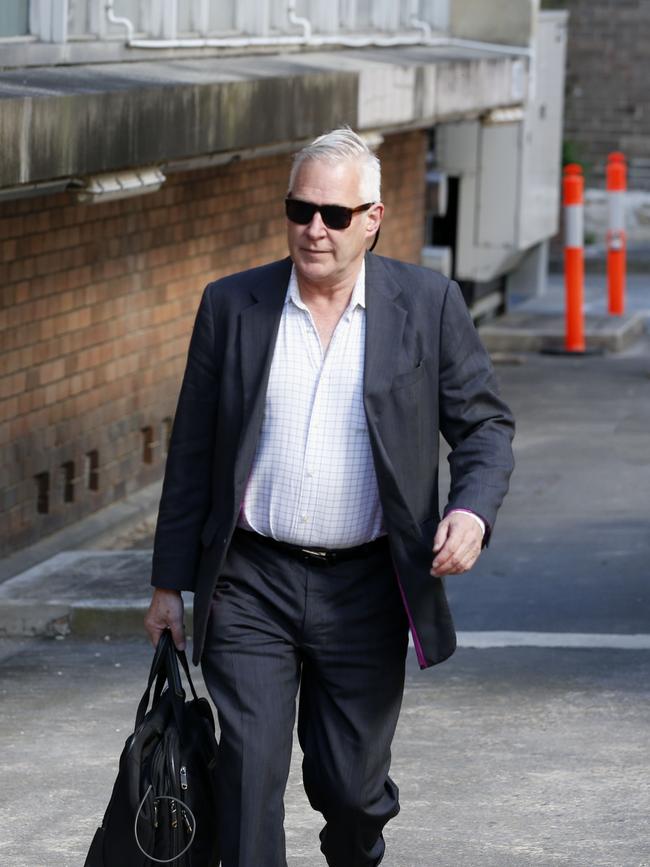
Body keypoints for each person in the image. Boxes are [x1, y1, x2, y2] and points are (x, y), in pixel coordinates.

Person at [144, 128, 515, 867]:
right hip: (253, 580)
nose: (314, 229)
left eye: (335, 215)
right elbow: (191, 451)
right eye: (300, 209)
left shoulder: (428, 306)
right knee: (248, 776)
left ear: (372, 219)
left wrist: (470, 509)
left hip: (368, 586)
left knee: (349, 788)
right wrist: (167, 584)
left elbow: (485, 427)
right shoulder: (232, 305)